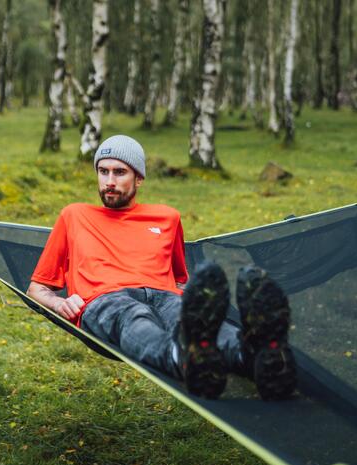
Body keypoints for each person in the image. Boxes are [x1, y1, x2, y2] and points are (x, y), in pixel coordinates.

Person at [27, 135, 296, 400]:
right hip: (105, 299)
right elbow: (36, 288)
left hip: (163, 295)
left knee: (188, 318)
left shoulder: (167, 218)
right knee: (133, 316)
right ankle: (182, 359)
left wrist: (202, 298)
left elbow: (180, 280)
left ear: (139, 178)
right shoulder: (74, 216)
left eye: (119, 172)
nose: (109, 182)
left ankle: (255, 356)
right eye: (103, 171)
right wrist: (58, 304)